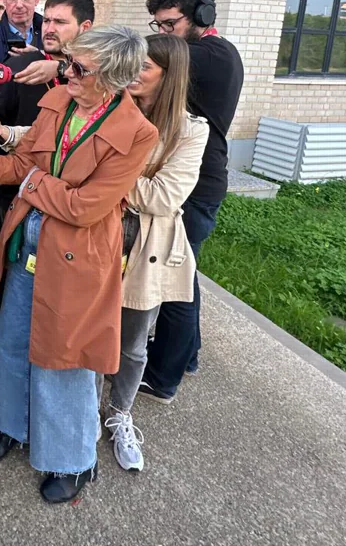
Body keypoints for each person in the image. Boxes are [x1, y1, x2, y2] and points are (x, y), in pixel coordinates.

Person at [0, 26, 157, 503]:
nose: (68, 74)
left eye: (80, 69)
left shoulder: (138, 134)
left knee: (67, 360)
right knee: (15, 340)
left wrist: (33, 183)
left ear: (115, 78)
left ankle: (72, 460)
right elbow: (22, 163)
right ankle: (11, 425)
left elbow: (87, 207)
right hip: (27, 242)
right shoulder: (58, 101)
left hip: (78, 259)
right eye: (68, 64)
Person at [102, 34, 209, 472]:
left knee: (131, 344)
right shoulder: (109, 107)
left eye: (144, 68)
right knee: (91, 332)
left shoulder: (190, 130)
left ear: (170, 77)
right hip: (99, 238)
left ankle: (119, 414)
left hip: (146, 249)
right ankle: (82, 413)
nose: (132, 75)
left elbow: (164, 197)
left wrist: (104, 174)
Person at [0, 0, 95, 358]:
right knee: (0, 257)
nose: (49, 27)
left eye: (61, 21)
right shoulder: (21, 65)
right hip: (12, 189)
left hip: (71, 204)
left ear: (86, 27)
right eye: (50, 19)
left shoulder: (102, 75)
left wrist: (59, 68)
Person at [140, 0, 243, 403]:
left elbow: (142, 60)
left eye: (170, 25)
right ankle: (187, 356)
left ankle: (163, 378)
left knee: (175, 287)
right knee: (185, 280)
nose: (164, 35)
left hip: (193, 187)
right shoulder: (204, 50)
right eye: (158, 26)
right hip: (193, 183)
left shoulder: (208, 55)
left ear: (202, 17)